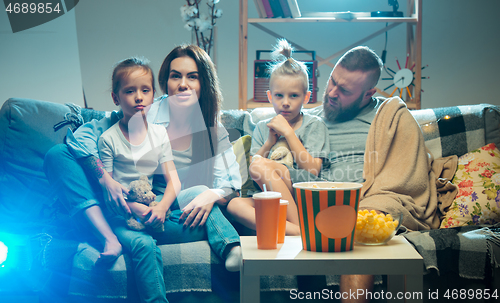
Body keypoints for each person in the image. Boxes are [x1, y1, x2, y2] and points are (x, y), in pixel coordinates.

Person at [43, 45, 242, 303]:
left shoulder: (213, 132)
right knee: (58, 155)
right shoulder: (146, 109)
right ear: (164, 84)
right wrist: (106, 180)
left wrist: (210, 195)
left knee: (201, 196)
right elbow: (83, 138)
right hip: (119, 201)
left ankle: (230, 246)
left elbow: (231, 186)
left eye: (192, 76)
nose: (183, 84)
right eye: (175, 76)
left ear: (204, 82)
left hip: (166, 205)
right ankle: (106, 232)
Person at [308, 46, 457, 303]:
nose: (332, 93)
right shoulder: (308, 120)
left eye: (344, 91)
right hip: (317, 199)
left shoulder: (390, 117)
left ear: (368, 94)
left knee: (366, 223)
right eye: (332, 81)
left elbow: (407, 174)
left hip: (368, 200)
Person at [227, 39, 330, 236]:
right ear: (270, 96)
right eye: (279, 96)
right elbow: (252, 170)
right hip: (268, 195)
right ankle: (299, 232)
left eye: (293, 96)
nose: (285, 103)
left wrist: (289, 134)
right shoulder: (261, 128)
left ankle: (298, 224)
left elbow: (313, 170)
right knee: (235, 205)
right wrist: (268, 143)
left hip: (303, 194)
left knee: (259, 165)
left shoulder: (314, 125)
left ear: (306, 97)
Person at [97, 57, 181, 232]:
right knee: (144, 240)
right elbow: (110, 191)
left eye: (145, 90)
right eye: (129, 91)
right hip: (124, 209)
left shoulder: (159, 133)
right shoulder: (108, 139)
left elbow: (174, 182)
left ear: (153, 95)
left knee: (199, 199)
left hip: (151, 201)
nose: (139, 97)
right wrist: (134, 208)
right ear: (115, 98)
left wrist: (162, 207)